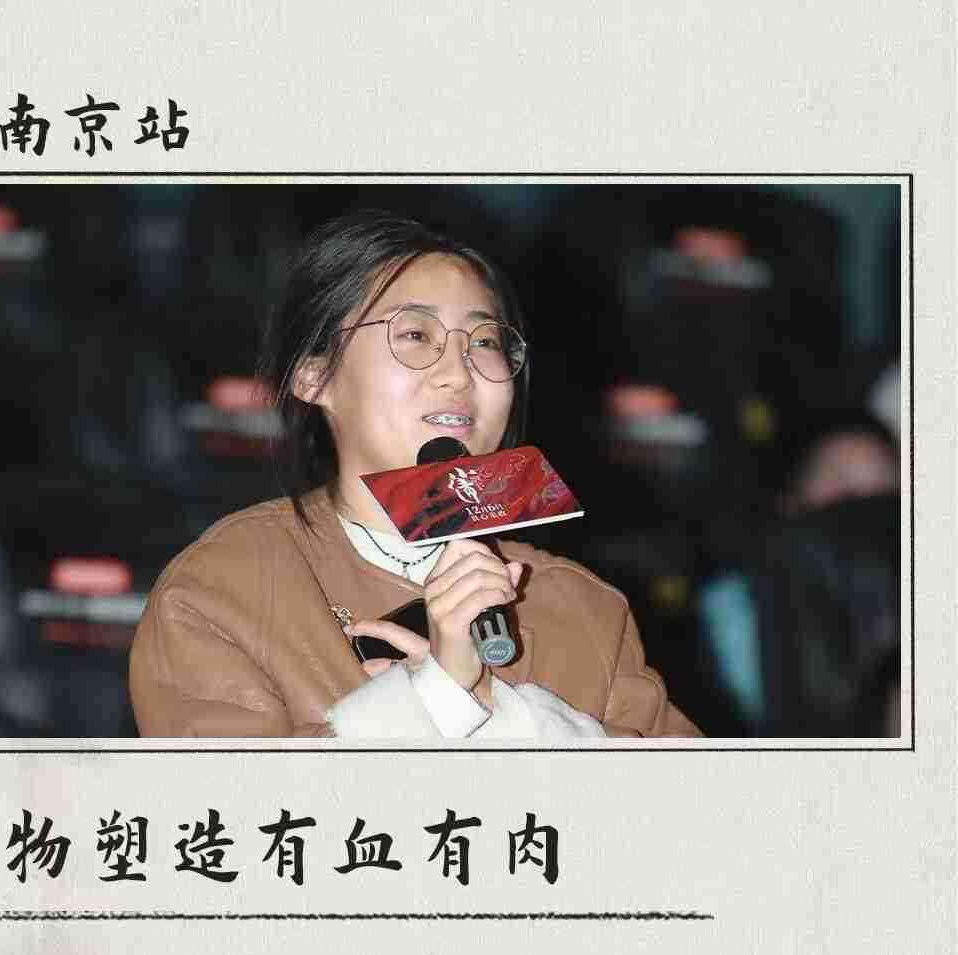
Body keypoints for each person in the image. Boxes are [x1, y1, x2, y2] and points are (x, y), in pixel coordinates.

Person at [130, 212, 700, 740]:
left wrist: (507, 717)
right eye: (415, 335)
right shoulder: (223, 587)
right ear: (314, 376)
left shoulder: (583, 607)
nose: (458, 373)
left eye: (485, 342)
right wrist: (435, 696)